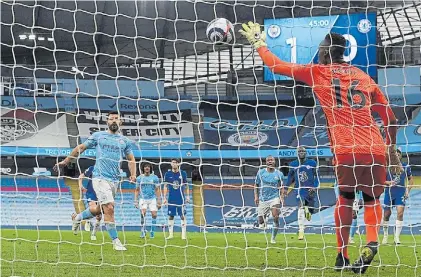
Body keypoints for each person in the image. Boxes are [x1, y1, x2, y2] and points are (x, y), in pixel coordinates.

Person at [240, 24, 401, 274]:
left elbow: (277, 66)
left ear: (326, 53)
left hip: (345, 149)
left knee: (346, 198)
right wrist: (391, 150)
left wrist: (259, 43)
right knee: (371, 199)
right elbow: (390, 118)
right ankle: (371, 242)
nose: (318, 53)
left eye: (320, 49)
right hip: (375, 148)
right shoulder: (363, 76)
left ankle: (342, 255)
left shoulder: (318, 72)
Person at [54, 111, 136, 251]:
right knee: (109, 208)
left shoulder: (125, 141)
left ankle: (78, 217)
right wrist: (66, 161)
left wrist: (133, 174)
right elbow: (81, 148)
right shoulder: (99, 136)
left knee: (100, 210)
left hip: (114, 180)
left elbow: (131, 159)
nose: (114, 121)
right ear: (107, 122)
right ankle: (116, 241)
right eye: (111, 119)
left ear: (121, 122)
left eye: (117, 119)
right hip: (99, 178)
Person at [285, 147, 319, 240]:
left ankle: (308, 210)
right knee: (301, 205)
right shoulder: (293, 164)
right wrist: (285, 188)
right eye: (299, 151)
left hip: (310, 190)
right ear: (297, 153)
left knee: (310, 211)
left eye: (303, 151)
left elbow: (316, 176)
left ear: (306, 153)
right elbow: (289, 177)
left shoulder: (312, 163)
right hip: (299, 189)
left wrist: (314, 187)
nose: (301, 152)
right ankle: (301, 231)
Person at [382, 149, 413, 245]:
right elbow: (381, 181)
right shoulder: (386, 167)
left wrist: (407, 191)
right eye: (395, 154)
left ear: (400, 156)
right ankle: (385, 235)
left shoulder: (405, 166)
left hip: (401, 193)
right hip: (389, 193)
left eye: (398, 154)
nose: (396, 156)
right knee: (387, 214)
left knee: (400, 213)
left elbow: (411, 180)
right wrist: (389, 183)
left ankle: (396, 237)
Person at [254, 155, 284, 244]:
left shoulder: (279, 174)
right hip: (263, 199)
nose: (270, 161)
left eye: (272, 160)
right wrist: (256, 196)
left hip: (274, 198)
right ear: (266, 162)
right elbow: (256, 185)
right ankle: (264, 218)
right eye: (268, 160)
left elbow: (281, 186)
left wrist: (281, 197)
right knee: (261, 222)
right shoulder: (260, 172)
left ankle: (273, 238)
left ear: (274, 162)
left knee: (276, 216)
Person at [163, 158, 189, 240]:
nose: (174, 164)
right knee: (171, 216)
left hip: (181, 198)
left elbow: (186, 186)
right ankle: (170, 235)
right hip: (171, 198)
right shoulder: (167, 174)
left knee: (182, 216)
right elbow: (165, 186)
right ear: (171, 164)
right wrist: (164, 198)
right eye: (172, 162)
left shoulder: (183, 173)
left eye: (175, 163)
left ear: (178, 164)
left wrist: (188, 196)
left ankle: (183, 235)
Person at [134, 162, 161, 239]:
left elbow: (157, 189)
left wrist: (159, 200)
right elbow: (137, 190)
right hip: (143, 199)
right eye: (145, 166)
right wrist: (135, 201)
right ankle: (143, 231)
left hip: (152, 199)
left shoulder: (155, 178)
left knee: (154, 215)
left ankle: (152, 231)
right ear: (143, 168)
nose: (147, 168)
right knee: (143, 213)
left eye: (148, 167)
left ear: (150, 168)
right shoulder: (139, 178)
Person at [78, 165, 102, 241]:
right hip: (91, 192)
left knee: (99, 216)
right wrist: (80, 185)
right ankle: (81, 219)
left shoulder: (108, 169)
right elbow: (81, 175)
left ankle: (93, 234)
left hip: (102, 193)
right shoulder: (92, 168)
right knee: (92, 208)